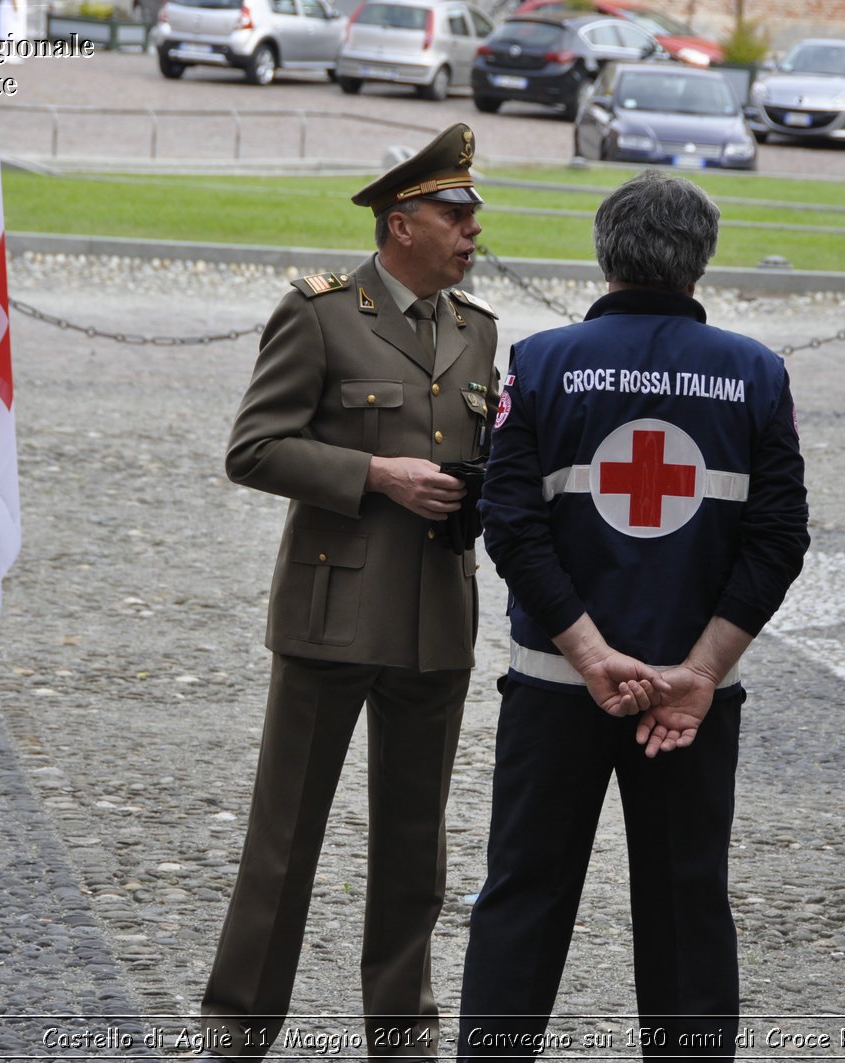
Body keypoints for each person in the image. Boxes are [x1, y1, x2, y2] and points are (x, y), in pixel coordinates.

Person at [457, 170, 811, 1059]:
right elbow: (778, 540)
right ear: (703, 260)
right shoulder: (757, 375)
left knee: (523, 898)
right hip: (690, 705)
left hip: (554, 689)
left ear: (604, 252)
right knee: (688, 906)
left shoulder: (539, 363)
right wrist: (698, 672)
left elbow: (510, 523)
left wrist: (585, 653)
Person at [200, 123, 500, 1061]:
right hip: (334, 612)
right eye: (454, 215)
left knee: (417, 844)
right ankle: (240, 1020)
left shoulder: (479, 331)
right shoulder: (323, 313)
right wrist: (379, 474)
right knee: (286, 832)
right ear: (401, 223)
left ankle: (402, 1027)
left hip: (437, 614)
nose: (470, 232)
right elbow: (253, 448)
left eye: (471, 216)